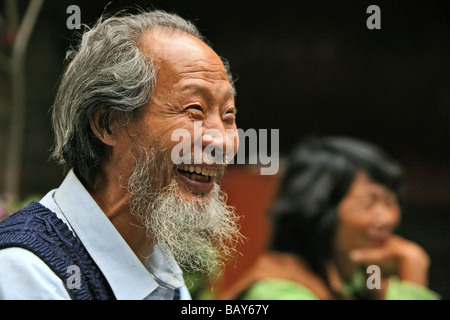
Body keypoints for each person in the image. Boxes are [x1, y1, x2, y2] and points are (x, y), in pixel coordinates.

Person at [0, 9, 242, 300]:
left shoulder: (158, 262)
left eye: (228, 115)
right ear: (109, 123)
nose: (222, 142)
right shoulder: (29, 273)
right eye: (194, 110)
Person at [220, 136, 440, 300]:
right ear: (318, 210)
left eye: (390, 202)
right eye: (368, 203)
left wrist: (378, 279)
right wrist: (414, 273)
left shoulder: (360, 275)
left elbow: (376, 291)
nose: (386, 218)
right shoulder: (277, 292)